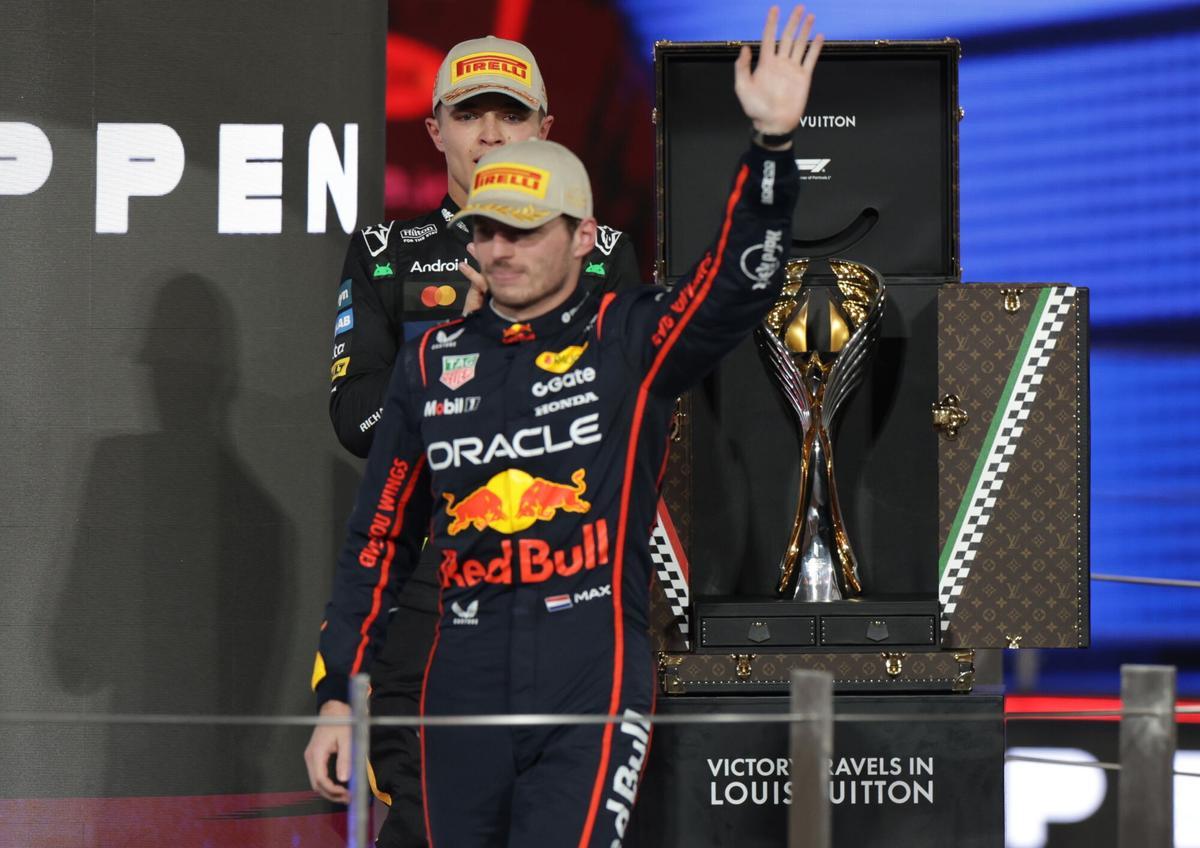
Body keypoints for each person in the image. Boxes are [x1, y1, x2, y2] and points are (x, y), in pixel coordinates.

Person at [306, 6, 822, 844]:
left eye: (523, 230)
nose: (501, 250)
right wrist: (338, 693)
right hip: (455, 660)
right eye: (485, 232)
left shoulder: (627, 335)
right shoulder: (430, 361)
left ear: (583, 237)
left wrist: (771, 148)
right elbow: (378, 539)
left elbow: (733, 287)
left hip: (588, 667)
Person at [320, 34, 642, 847]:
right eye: (471, 115)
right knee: (428, 822)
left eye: (512, 115)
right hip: (430, 588)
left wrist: (509, 354)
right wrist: (458, 348)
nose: (492, 134)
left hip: (569, 588)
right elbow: (354, 419)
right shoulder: (387, 256)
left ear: (547, 128)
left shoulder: (600, 253)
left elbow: (626, 416)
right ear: (435, 130)